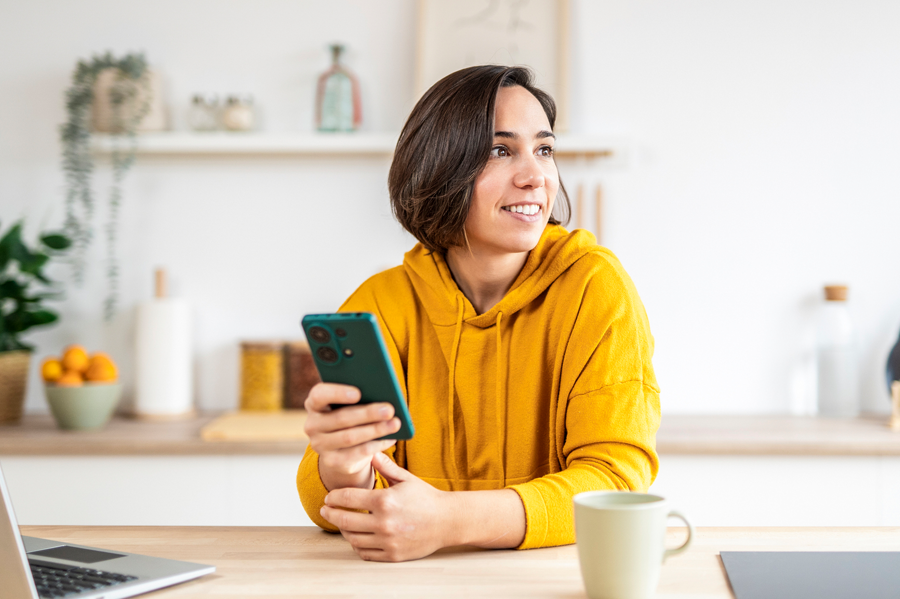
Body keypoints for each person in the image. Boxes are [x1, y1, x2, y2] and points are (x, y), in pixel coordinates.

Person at [297, 65, 660, 562]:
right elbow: (337, 507)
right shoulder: (380, 304)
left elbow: (615, 483)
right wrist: (342, 466)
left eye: (545, 150)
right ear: (439, 166)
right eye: (500, 150)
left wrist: (448, 521)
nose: (536, 177)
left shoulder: (594, 289)